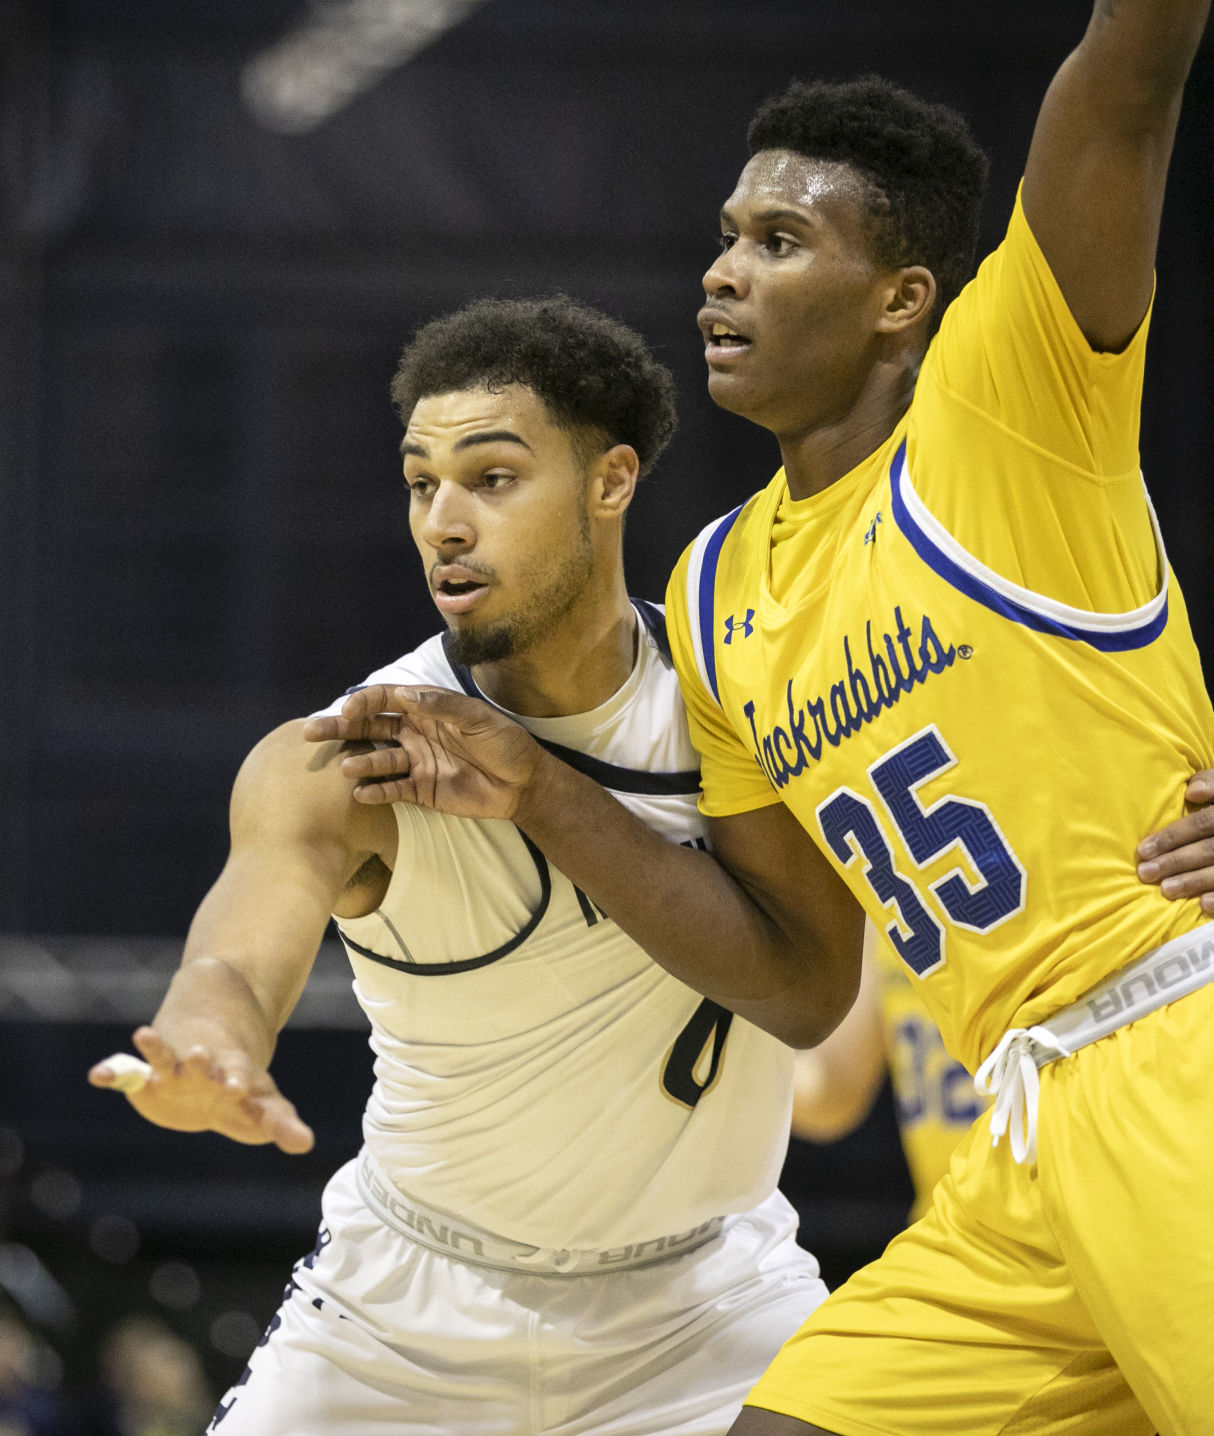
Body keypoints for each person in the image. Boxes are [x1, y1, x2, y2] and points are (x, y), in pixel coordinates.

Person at [317, 6, 1214, 1428]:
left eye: (780, 244)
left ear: (902, 298)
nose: (723, 272)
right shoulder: (720, 585)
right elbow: (794, 979)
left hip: (1202, 1066)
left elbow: (1126, 87)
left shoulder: (1008, 411)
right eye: (728, 236)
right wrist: (544, 795)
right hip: (1014, 1143)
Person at [89, 296, 837, 1436]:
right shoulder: (349, 753)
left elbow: (815, 984)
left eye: (491, 478)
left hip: (709, 1299)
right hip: (404, 1314)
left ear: (610, 480)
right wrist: (210, 1042)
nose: (443, 519)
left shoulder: (741, 703)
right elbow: (240, 945)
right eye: (420, 481)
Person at [794, 773, 1214, 1219]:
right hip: (966, 1247)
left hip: (1137, 1228)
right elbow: (829, 1090)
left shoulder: (1116, 823)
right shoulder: (891, 867)